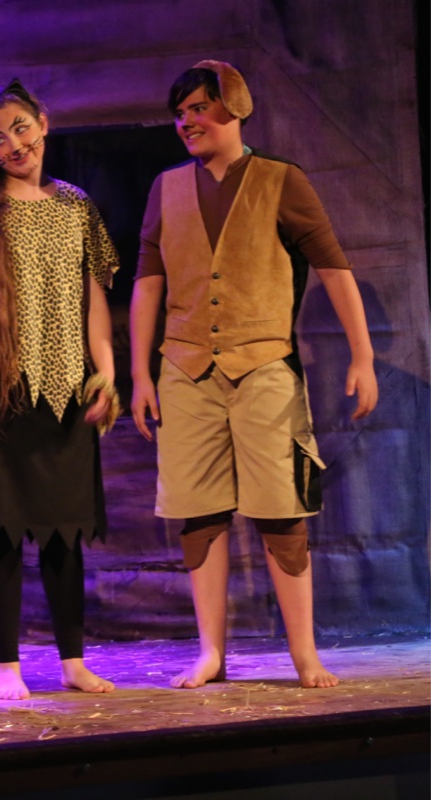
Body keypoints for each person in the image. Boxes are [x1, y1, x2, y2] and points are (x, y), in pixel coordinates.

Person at [129, 60, 378, 689]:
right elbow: (148, 282)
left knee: (281, 511)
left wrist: (363, 355)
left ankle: (304, 654)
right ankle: (211, 653)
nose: (186, 121)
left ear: (234, 107)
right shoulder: (166, 188)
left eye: (198, 108)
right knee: (199, 513)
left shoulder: (280, 180)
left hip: (263, 366)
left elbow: (334, 268)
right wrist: (140, 372)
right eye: (179, 112)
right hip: (185, 367)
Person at [0, 80, 119, 700]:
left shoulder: (76, 206)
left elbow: (95, 299)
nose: (13, 145)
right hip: (2, 392)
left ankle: (73, 661)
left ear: (43, 122)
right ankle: (8, 665)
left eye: (20, 128)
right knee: (3, 528)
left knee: (65, 529)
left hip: (66, 386)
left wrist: (106, 371)